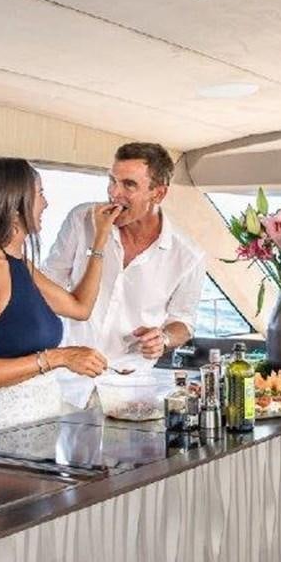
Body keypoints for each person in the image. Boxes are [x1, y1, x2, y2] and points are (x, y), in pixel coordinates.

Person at [0, 158, 120, 432]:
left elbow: (80, 307)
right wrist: (60, 357)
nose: (46, 204)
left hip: (44, 428)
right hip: (4, 432)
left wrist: (99, 239)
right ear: (15, 204)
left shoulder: (22, 265)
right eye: (40, 194)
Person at [44, 142, 206, 402]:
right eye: (112, 181)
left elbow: (183, 322)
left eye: (129, 185)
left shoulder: (188, 255)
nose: (114, 193)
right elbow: (47, 286)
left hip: (130, 390)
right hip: (66, 384)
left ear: (158, 194)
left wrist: (163, 338)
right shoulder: (81, 220)